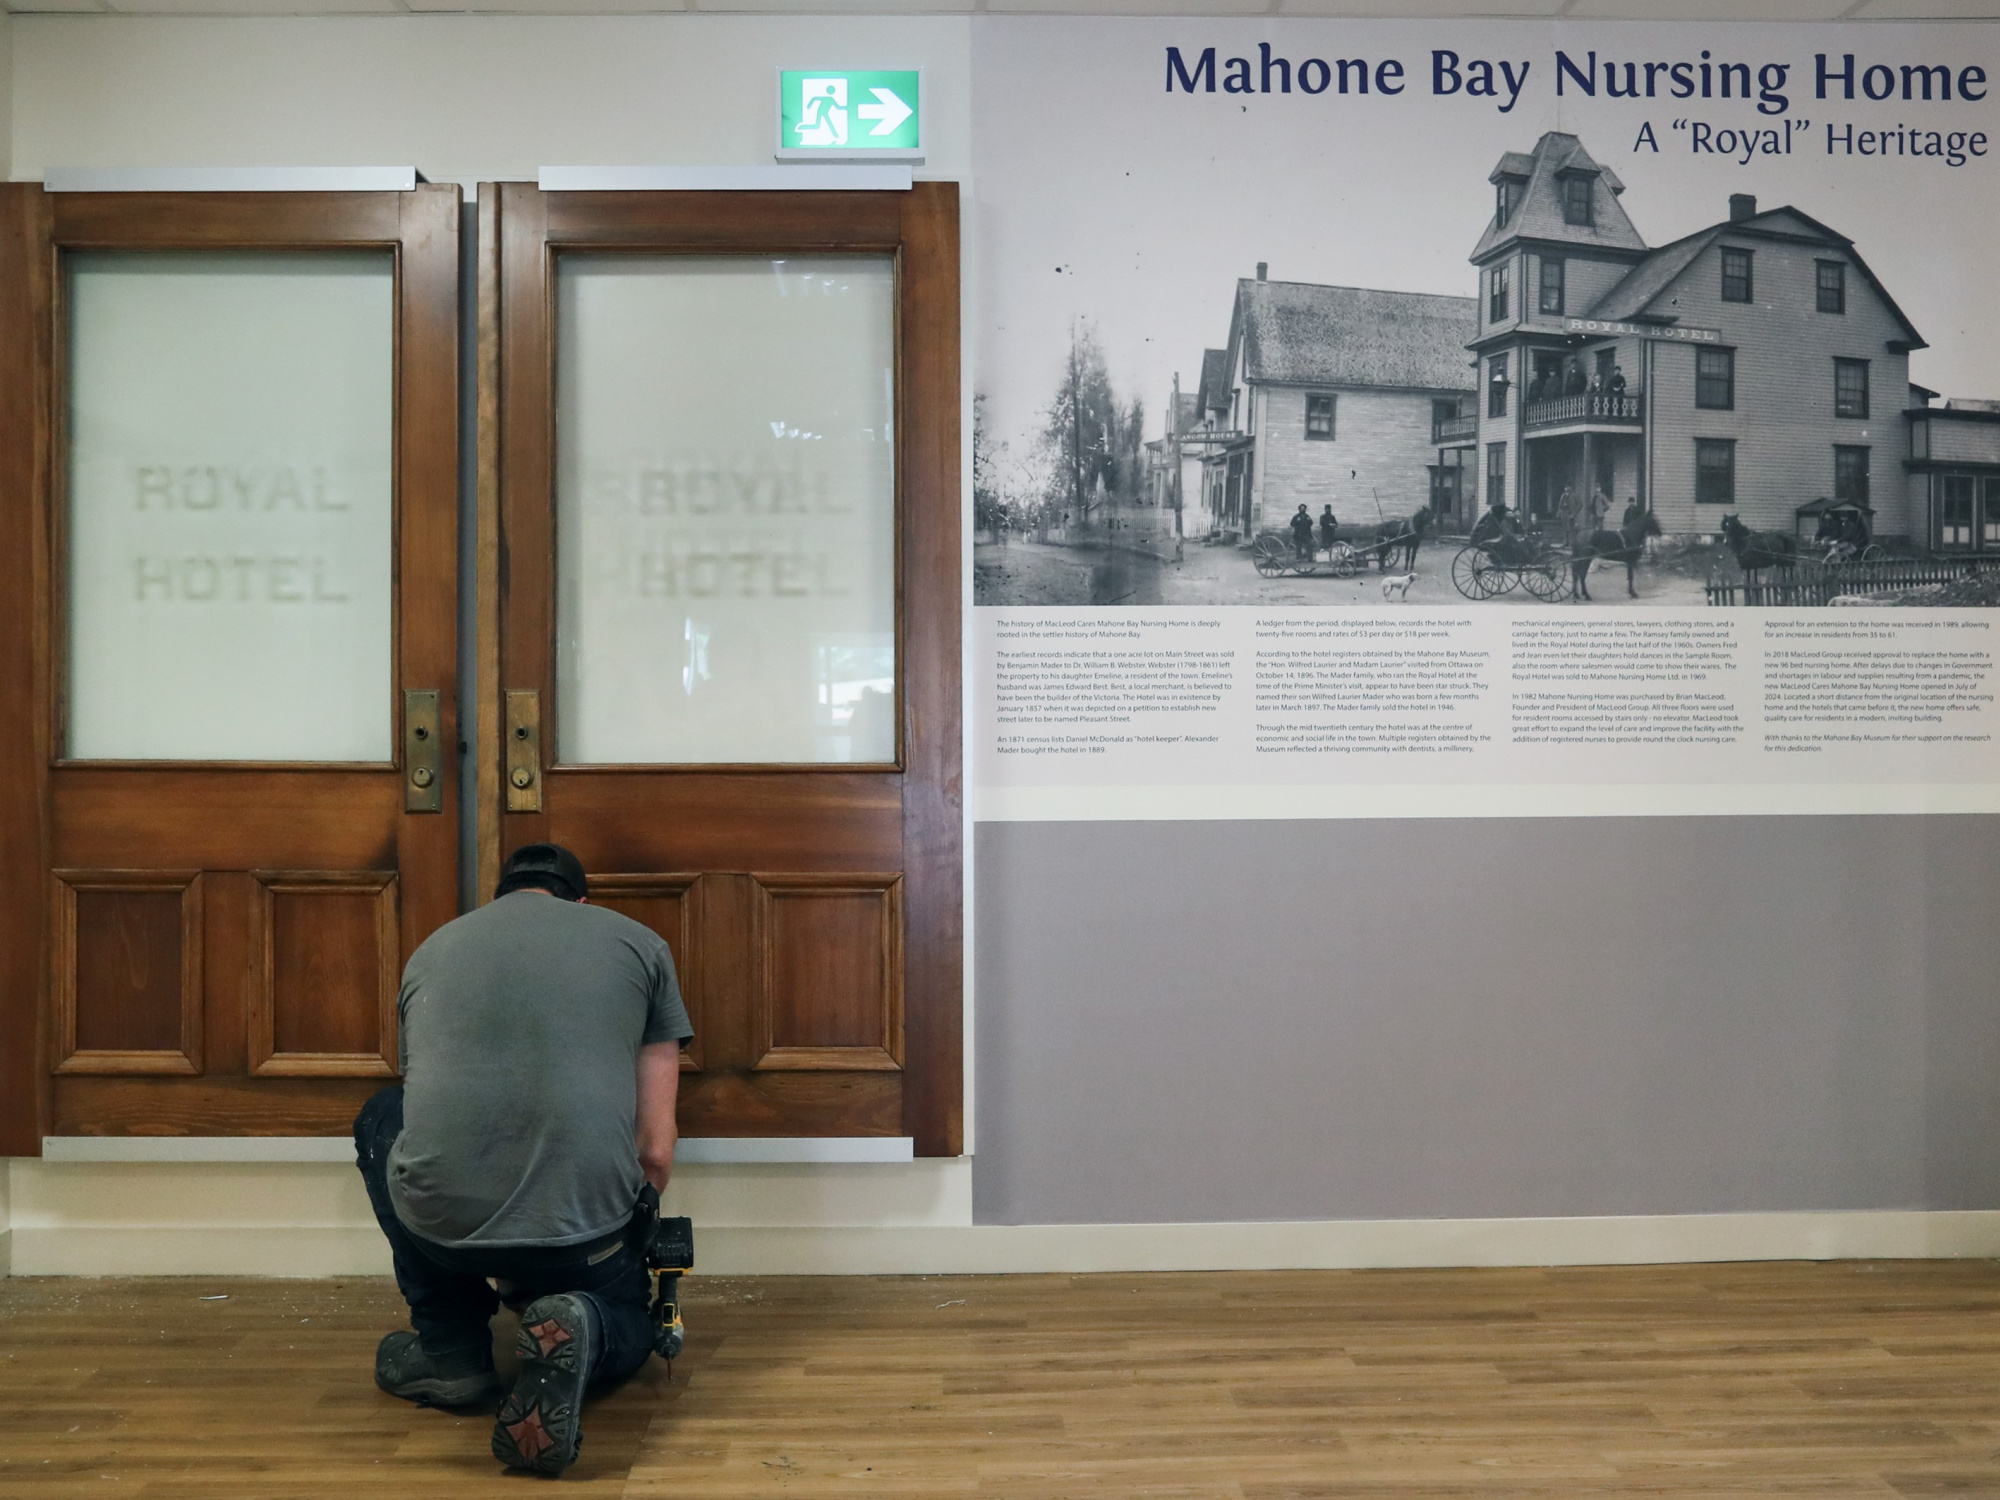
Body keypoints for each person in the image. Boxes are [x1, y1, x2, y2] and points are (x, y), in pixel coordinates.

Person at [354, 843, 694, 1477]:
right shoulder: (639, 944)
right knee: (629, 1321)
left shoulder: (434, 948)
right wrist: (625, 1236)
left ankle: (452, 1354)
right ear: (582, 903)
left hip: (445, 1233)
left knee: (383, 1115)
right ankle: (584, 1320)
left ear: (503, 897)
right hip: (582, 1240)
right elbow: (654, 1147)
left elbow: (433, 1104)